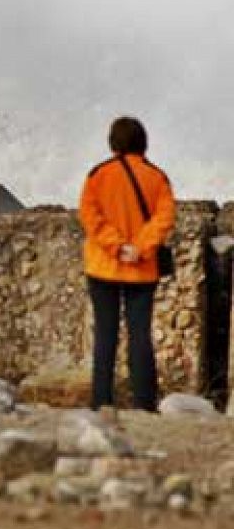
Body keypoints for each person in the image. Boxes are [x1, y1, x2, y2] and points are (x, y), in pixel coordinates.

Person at [78, 116, 174, 412]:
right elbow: (164, 218)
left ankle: (101, 401)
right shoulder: (157, 177)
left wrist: (116, 247)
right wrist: (139, 248)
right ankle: (144, 404)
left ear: (113, 143)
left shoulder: (98, 175)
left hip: (103, 266)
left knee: (105, 336)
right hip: (142, 270)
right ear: (143, 142)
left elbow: (90, 216)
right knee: (140, 336)